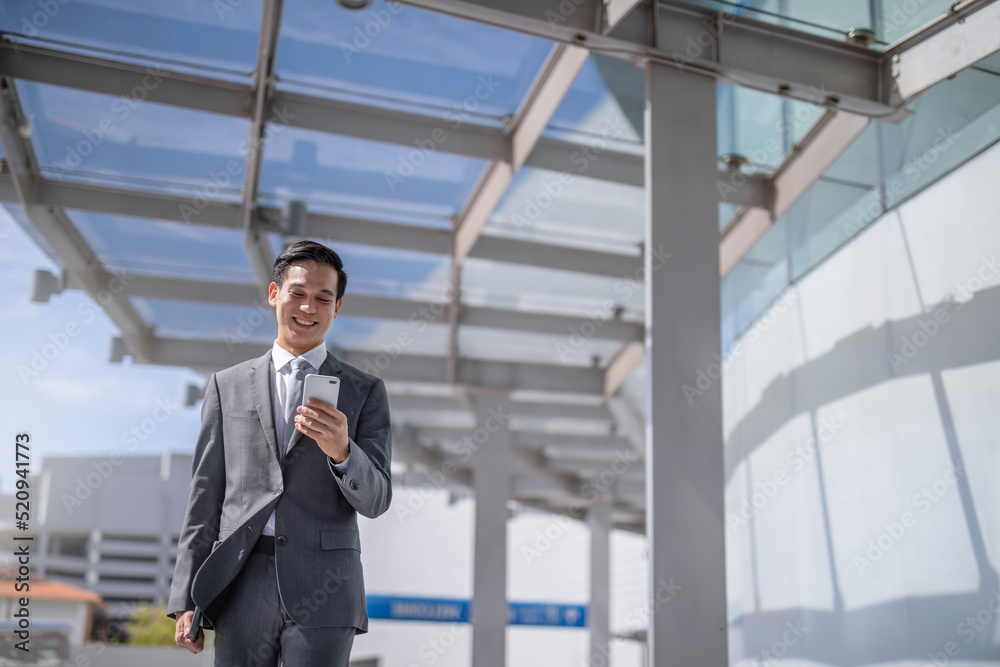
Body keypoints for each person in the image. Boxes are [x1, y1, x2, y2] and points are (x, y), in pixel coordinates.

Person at [166, 240, 392, 666]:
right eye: (298, 294)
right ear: (274, 295)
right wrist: (185, 596)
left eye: (323, 298)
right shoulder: (225, 385)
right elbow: (204, 497)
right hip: (239, 580)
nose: (309, 307)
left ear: (337, 308)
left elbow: (377, 500)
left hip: (327, 587)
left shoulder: (365, 392)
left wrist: (343, 452)